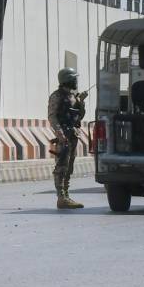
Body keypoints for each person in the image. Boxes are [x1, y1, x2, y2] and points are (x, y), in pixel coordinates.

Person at [49, 68, 86, 210]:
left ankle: (66, 195)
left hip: (73, 135)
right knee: (61, 167)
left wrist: (80, 102)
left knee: (69, 166)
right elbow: (52, 116)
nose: (76, 81)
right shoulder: (56, 96)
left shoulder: (73, 96)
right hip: (63, 137)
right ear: (67, 79)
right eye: (74, 78)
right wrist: (60, 135)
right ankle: (61, 197)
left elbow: (79, 116)